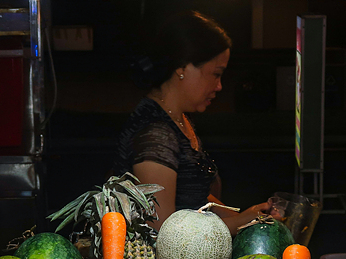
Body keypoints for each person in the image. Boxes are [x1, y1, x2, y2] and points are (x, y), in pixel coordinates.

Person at [113, 11, 270, 234]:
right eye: (216, 74)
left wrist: (248, 215)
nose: (219, 86)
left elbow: (191, 194)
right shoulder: (156, 136)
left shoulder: (178, 118)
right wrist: (242, 222)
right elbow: (164, 233)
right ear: (182, 68)